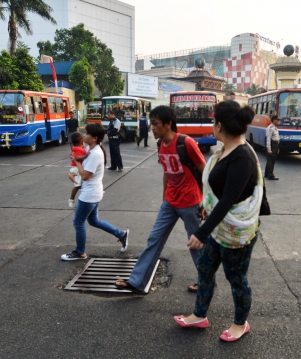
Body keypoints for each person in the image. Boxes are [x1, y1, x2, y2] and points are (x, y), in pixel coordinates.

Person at [173, 100, 261, 343]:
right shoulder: (223, 151)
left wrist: (201, 232)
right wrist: (206, 206)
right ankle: (199, 315)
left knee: (236, 278)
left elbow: (230, 199)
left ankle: (240, 323)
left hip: (235, 231)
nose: (213, 125)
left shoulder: (242, 155)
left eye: (213, 122)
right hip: (219, 226)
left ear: (219, 125)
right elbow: (218, 192)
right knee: (205, 268)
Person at [114, 106, 206, 293]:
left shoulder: (186, 143)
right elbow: (166, 172)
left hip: (190, 202)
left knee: (195, 245)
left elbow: (205, 171)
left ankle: (206, 280)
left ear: (168, 124)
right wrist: (165, 197)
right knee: (154, 239)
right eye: (151, 124)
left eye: (155, 124)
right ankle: (137, 282)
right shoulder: (161, 145)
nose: (152, 128)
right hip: (170, 203)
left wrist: (206, 201)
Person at [61, 123, 130, 260]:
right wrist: (75, 165)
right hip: (93, 192)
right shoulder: (90, 148)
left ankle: (80, 252)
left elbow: (86, 176)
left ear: (95, 138)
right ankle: (121, 234)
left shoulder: (95, 154)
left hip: (89, 195)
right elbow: (82, 165)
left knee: (78, 223)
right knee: (94, 221)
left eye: (86, 133)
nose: (84, 135)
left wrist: (77, 163)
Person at [68, 132, 89, 208]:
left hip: (75, 168)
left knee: (80, 185)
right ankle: (71, 199)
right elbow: (76, 158)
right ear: (81, 142)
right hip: (76, 169)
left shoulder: (76, 148)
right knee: (78, 185)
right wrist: (85, 155)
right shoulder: (79, 149)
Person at [265, 115, 280, 180]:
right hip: (272, 145)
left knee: (270, 160)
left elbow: (277, 139)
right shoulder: (270, 128)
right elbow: (268, 139)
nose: (278, 121)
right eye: (277, 120)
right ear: (274, 120)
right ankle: (270, 175)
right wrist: (269, 149)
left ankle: (266, 174)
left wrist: (277, 148)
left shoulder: (275, 127)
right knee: (271, 160)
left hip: (275, 145)